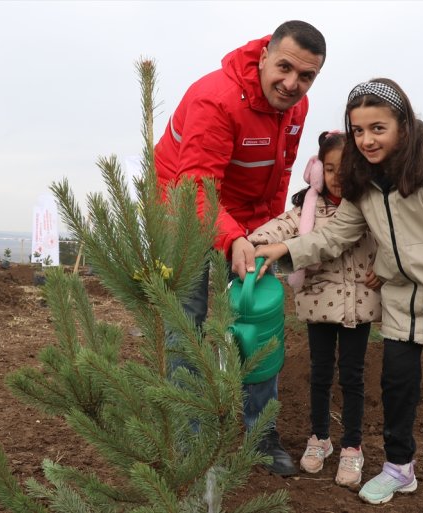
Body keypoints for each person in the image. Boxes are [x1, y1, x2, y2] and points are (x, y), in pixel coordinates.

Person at [255, 78, 423, 512]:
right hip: (403, 302)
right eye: (359, 130)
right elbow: (335, 235)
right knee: (396, 387)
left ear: (403, 123)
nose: (366, 139)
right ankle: (400, 468)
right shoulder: (363, 183)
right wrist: (285, 249)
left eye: (377, 128)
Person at [154, 20, 327, 477]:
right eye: (285, 67)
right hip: (183, 208)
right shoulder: (218, 99)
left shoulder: (296, 107)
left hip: (246, 216)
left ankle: (260, 433)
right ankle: (190, 439)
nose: (292, 84)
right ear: (264, 55)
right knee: (186, 324)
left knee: (261, 320)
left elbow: (278, 175)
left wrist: (264, 235)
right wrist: (231, 238)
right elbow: (195, 185)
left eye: (306, 76)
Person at [247, 131, 382, 488]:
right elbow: (278, 229)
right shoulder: (307, 209)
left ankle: (352, 446)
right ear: (320, 172)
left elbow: (392, 240)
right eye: (331, 168)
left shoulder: (370, 207)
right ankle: (319, 438)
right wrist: (248, 244)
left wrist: (385, 270)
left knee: (352, 377)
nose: (338, 176)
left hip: (359, 307)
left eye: (346, 168)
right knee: (320, 374)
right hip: (318, 304)